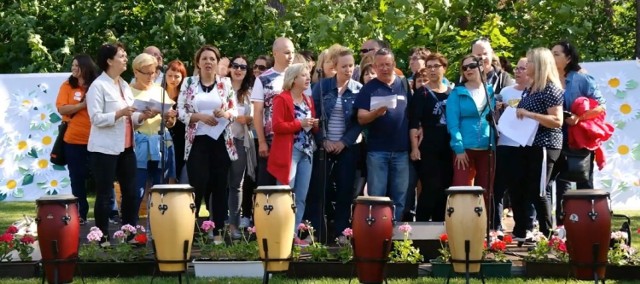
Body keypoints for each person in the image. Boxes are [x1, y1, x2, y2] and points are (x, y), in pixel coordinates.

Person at [86, 43, 157, 239]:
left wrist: (142, 116)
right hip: (104, 149)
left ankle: (129, 234)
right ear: (109, 60)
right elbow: (96, 118)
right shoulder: (97, 86)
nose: (126, 59)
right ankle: (101, 238)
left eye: (126, 56)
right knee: (104, 196)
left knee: (131, 193)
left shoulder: (124, 85)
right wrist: (119, 113)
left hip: (126, 147)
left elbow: (130, 117)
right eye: (122, 56)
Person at [177, 45, 239, 242]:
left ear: (217, 62)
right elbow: (180, 111)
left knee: (220, 187)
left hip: (221, 141)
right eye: (204, 58)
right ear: (198, 62)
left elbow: (234, 110)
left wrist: (225, 113)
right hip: (197, 142)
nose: (208, 62)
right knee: (197, 186)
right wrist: (199, 117)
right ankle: (191, 231)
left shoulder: (226, 83)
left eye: (212, 59)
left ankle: (218, 231)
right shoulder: (188, 83)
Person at [309, 47, 363, 244]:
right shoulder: (322, 87)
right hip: (323, 146)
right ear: (335, 67)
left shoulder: (359, 89)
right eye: (344, 66)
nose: (348, 70)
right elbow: (313, 115)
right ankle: (317, 231)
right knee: (319, 189)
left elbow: (359, 121)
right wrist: (323, 140)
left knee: (345, 190)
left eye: (351, 65)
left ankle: (341, 232)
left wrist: (343, 142)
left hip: (347, 147)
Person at [550, 41, 606, 227]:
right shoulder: (548, 79)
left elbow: (600, 106)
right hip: (555, 138)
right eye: (552, 53)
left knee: (584, 181)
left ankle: (589, 223)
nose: (552, 57)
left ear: (568, 58)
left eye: (557, 54)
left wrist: (579, 118)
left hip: (579, 138)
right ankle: (561, 228)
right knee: (560, 183)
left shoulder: (582, 79)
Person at [510, 47, 564, 242]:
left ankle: (549, 234)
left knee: (538, 190)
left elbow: (557, 121)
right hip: (529, 145)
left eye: (530, 62)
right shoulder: (530, 88)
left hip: (545, 145)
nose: (526, 66)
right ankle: (523, 230)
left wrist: (529, 114)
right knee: (524, 187)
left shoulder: (550, 89)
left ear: (540, 65)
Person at [354, 48, 410, 222]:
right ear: (374, 67)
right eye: (380, 66)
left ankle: (398, 234)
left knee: (400, 196)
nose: (384, 68)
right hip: (378, 151)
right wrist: (375, 114)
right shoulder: (368, 89)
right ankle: (377, 232)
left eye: (387, 64)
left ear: (394, 64)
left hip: (402, 150)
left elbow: (413, 114)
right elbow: (361, 118)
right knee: (377, 196)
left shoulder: (404, 84)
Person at [267, 63, 319, 246]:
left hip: (307, 152)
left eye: (308, 75)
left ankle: (293, 234)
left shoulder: (308, 100)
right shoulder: (282, 98)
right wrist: (300, 123)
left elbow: (309, 126)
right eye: (303, 75)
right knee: (285, 194)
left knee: (301, 196)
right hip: (290, 152)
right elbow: (277, 126)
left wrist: (314, 123)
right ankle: (280, 234)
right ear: (293, 78)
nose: (307, 78)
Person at [446, 54, 496, 210]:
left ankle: (482, 227)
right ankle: (460, 225)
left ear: (481, 67)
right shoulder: (457, 93)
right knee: (461, 190)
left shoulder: (491, 91)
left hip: (487, 148)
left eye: (471, 66)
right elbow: (453, 123)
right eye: (464, 67)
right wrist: (458, 148)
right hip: (464, 149)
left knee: (486, 191)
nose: (468, 70)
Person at [130, 53, 176, 221]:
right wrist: (143, 116)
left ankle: (159, 226)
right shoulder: (127, 91)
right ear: (136, 71)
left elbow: (171, 123)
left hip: (160, 144)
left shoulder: (160, 90)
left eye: (154, 72)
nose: (151, 76)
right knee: (137, 190)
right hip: (138, 145)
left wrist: (169, 118)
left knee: (160, 189)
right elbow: (125, 123)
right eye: (147, 72)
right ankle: (131, 229)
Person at [55, 54, 98, 226]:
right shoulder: (67, 85)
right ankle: (81, 213)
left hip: (97, 140)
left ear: (85, 67)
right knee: (77, 178)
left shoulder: (96, 85)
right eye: (72, 65)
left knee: (102, 178)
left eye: (76, 66)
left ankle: (110, 212)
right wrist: (82, 105)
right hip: (73, 141)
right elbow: (62, 108)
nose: (73, 69)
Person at [409, 53, 453, 222]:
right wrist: (414, 148)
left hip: (448, 145)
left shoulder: (452, 93)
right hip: (427, 146)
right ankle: (420, 227)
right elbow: (414, 122)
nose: (433, 70)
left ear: (444, 68)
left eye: (436, 66)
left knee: (444, 188)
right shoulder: (422, 93)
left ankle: (439, 229)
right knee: (430, 187)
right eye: (429, 66)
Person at [251, 37, 295, 186]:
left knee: (290, 188)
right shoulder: (263, 79)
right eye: (287, 52)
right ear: (275, 53)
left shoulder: (300, 76)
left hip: (295, 140)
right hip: (272, 141)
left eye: (293, 52)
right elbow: (257, 112)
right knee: (267, 188)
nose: (291, 57)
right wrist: (262, 142)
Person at [226, 55, 255, 238]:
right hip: (221, 139)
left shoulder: (250, 93)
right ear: (229, 68)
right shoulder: (221, 88)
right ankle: (216, 224)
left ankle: (234, 226)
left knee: (237, 184)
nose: (238, 70)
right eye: (235, 66)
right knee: (219, 183)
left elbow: (254, 119)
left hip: (240, 140)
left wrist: (249, 119)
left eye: (243, 67)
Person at [165, 60, 188, 183]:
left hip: (181, 139)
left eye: (177, 76)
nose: (173, 79)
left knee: (177, 173)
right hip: (162, 139)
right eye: (170, 75)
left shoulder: (185, 96)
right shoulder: (159, 93)